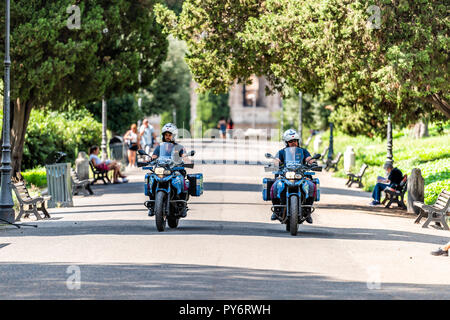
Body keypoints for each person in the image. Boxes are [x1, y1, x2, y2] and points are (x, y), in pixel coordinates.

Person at [270, 129, 317, 223]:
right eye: (290, 141)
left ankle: (307, 211)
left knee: (311, 186)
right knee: (275, 185)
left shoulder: (303, 151)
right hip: (285, 175)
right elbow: (277, 160)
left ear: (298, 141)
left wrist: (313, 162)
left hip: (301, 175)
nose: (293, 143)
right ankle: (276, 210)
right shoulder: (282, 152)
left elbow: (308, 158)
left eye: (295, 140)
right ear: (286, 142)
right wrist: (274, 163)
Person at [150, 123, 190, 217]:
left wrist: (187, 160)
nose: (167, 137)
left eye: (169, 135)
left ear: (173, 136)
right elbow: (154, 157)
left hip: (175, 169)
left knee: (180, 178)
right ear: (163, 135)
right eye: (166, 135)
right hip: (162, 169)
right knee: (150, 178)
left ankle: (183, 205)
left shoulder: (179, 147)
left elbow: (184, 156)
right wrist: (150, 160)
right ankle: (152, 205)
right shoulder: (159, 147)